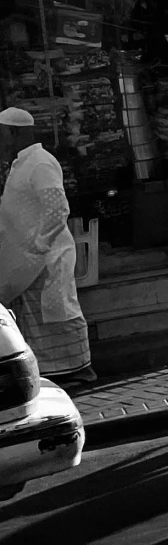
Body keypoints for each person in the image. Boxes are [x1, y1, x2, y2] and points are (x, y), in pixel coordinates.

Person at [0, 110, 91, 388]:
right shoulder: (20, 165)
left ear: (15, 133)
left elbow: (57, 208)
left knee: (57, 313)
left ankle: (77, 371)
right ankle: (50, 374)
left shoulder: (40, 163)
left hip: (47, 256)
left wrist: (38, 245)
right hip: (28, 260)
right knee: (35, 319)